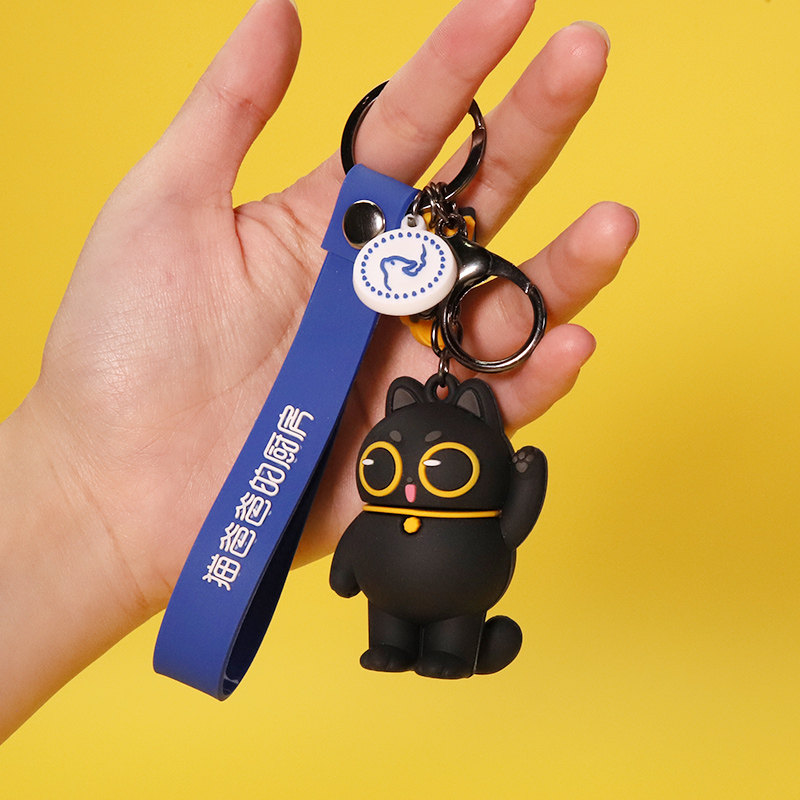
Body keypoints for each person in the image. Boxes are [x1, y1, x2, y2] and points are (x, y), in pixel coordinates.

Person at [0, 0, 638, 741]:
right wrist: (75, 474)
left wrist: (522, 484)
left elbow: (506, 522)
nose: (406, 482)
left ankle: (451, 648)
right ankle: (398, 643)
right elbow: (371, 549)